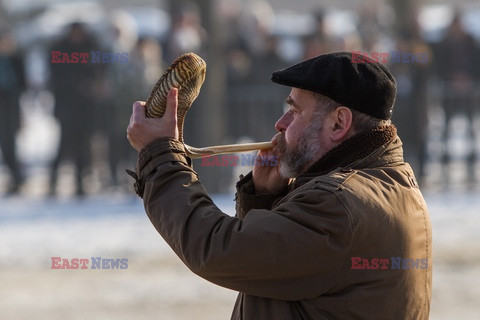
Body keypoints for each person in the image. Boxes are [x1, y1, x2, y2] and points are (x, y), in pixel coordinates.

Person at [126, 52, 432, 319]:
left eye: (295, 111)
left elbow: (218, 250)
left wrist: (160, 155)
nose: (280, 124)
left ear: (339, 123)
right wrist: (266, 198)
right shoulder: (390, 183)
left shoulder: (339, 204)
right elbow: (282, 269)